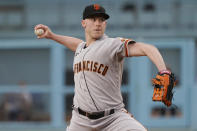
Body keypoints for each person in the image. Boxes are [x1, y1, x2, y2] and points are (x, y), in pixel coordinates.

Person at [34, 4, 172, 131]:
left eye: (101, 20)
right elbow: (76, 44)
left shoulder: (112, 45)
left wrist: (164, 71)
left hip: (112, 118)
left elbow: (147, 48)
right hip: (81, 121)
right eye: (93, 19)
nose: (97, 23)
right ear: (83, 23)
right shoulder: (81, 48)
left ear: (105, 24)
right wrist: (52, 36)